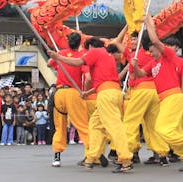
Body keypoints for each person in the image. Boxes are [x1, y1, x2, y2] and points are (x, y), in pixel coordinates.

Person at [49, 37, 133, 173]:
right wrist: (87, 92)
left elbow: (77, 62)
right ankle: (91, 157)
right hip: (112, 92)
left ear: (91, 47)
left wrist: (57, 57)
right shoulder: (108, 57)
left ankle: (125, 159)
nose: (86, 53)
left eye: (87, 50)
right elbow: (107, 81)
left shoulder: (96, 52)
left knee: (114, 127)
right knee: (94, 124)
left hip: (106, 95)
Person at [131, 15, 183, 172]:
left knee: (162, 129)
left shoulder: (168, 57)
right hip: (164, 99)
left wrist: (148, 23)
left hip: (173, 97)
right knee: (168, 131)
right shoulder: (153, 63)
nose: (152, 53)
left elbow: (155, 40)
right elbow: (140, 73)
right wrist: (133, 66)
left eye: (153, 51)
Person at [111, 26, 169, 166]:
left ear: (141, 42)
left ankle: (126, 155)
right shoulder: (157, 54)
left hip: (140, 90)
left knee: (130, 123)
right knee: (153, 125)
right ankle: (161, 155)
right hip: (155, 92)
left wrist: (126, 26)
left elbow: (117, 42)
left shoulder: (135, 55)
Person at [47, 32, 91, 168]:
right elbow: (88, 77)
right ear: (80, 43)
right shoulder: (82, 57)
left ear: (68, 41)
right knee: (82, 125)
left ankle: (57, 157)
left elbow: (49, 63)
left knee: (60, 126)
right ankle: (91, 153)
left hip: (59, 93)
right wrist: (85, 91)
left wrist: (59, 58)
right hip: (73, 92)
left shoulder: (60, 54)